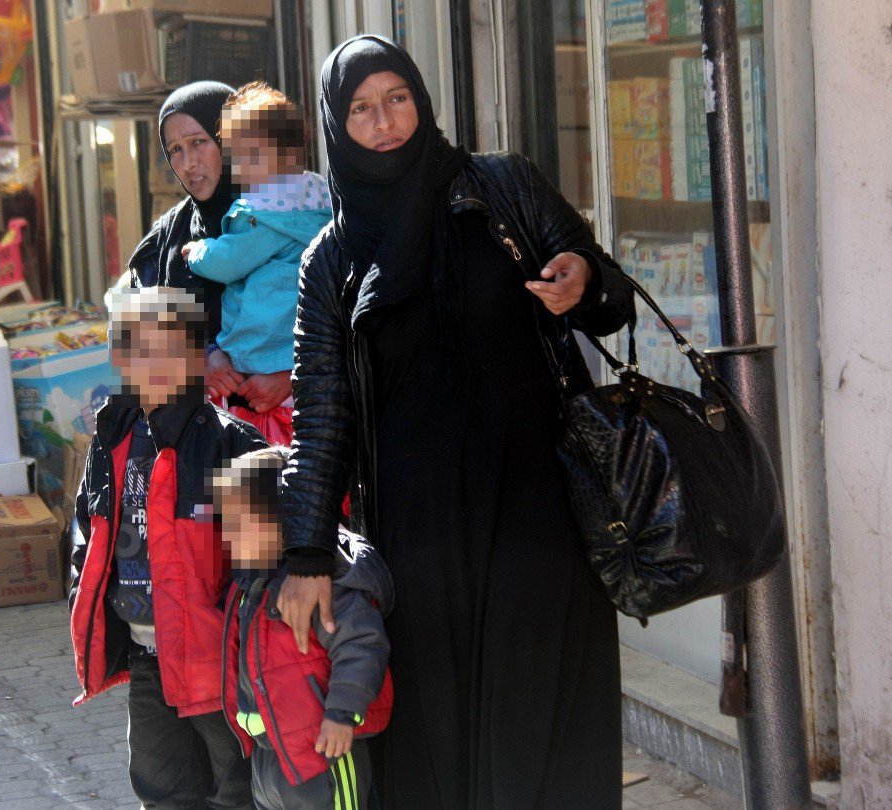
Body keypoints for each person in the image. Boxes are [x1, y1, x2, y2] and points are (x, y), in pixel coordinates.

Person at [277, 35, 635, 809]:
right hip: (420, 534)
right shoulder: (331, 260)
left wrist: (586, 279)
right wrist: (306, 553)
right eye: (362, 109)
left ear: (422, 98)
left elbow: (608, 294)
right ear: (340, 126)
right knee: (438, 732)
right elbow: (323, 411)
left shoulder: (502, 187)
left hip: (538, 504)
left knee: (545, 708)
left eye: (397, 98)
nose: (385, 122)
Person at [68, 286, 266, 809]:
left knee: (238, 787)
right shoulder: (112, 439)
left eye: (172, 349)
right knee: (162, 788)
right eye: (139, 349)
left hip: (215, 660)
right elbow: (87, 529)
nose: (155, 364)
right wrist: (81, 594)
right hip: (145, 655)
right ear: (119, 358)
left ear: (199, 359)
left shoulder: (230, 444)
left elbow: (265, 549)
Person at [217, 446, 393, 810]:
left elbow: (361, 644)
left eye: (240, 524)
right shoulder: (252, 585)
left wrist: (342, 713)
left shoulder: (321, 586)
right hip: (271, 755)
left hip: (324, 750)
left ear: (285, 520)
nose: (229, 538)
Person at [128, 81, 292, 419]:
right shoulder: (165, 242)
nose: (188, 163)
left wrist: (289, 377)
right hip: (200, 448)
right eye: (175, 150)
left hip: (296, 439)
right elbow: (134, 344)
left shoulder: (287, 215)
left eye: (199, 142)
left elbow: (340, 323)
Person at [183, 82, 332, 444]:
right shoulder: (318, 197)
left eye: (199, 142)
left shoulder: (264, 213)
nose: (243, 168)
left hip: (266, 359)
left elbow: (229, 260)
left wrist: (197, 253)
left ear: (288, 153)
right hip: (295, 355)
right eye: (237, 155)